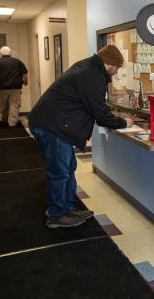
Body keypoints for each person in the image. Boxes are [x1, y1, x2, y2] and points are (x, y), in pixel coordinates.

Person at [28, 45, 133, 229]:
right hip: (52, 127)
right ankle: (57, 215)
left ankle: (68, 208)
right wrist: (123, 123)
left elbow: (93, 105)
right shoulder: (91, 75)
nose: (116, 73)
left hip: (55, 124)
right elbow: (98, 111)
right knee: (60, 172)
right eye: (117, 67)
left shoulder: (88, 68)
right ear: (109, 63)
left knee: (68, 167)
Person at [0, 46, 28, 126]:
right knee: (14, 105)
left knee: (4, 105)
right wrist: (26, 81)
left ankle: (4, 121)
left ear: (0, 53)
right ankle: (12, 124)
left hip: (2, 88)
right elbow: (24, 73)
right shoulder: (17, 61)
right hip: (16, 88)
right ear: (10, 53)